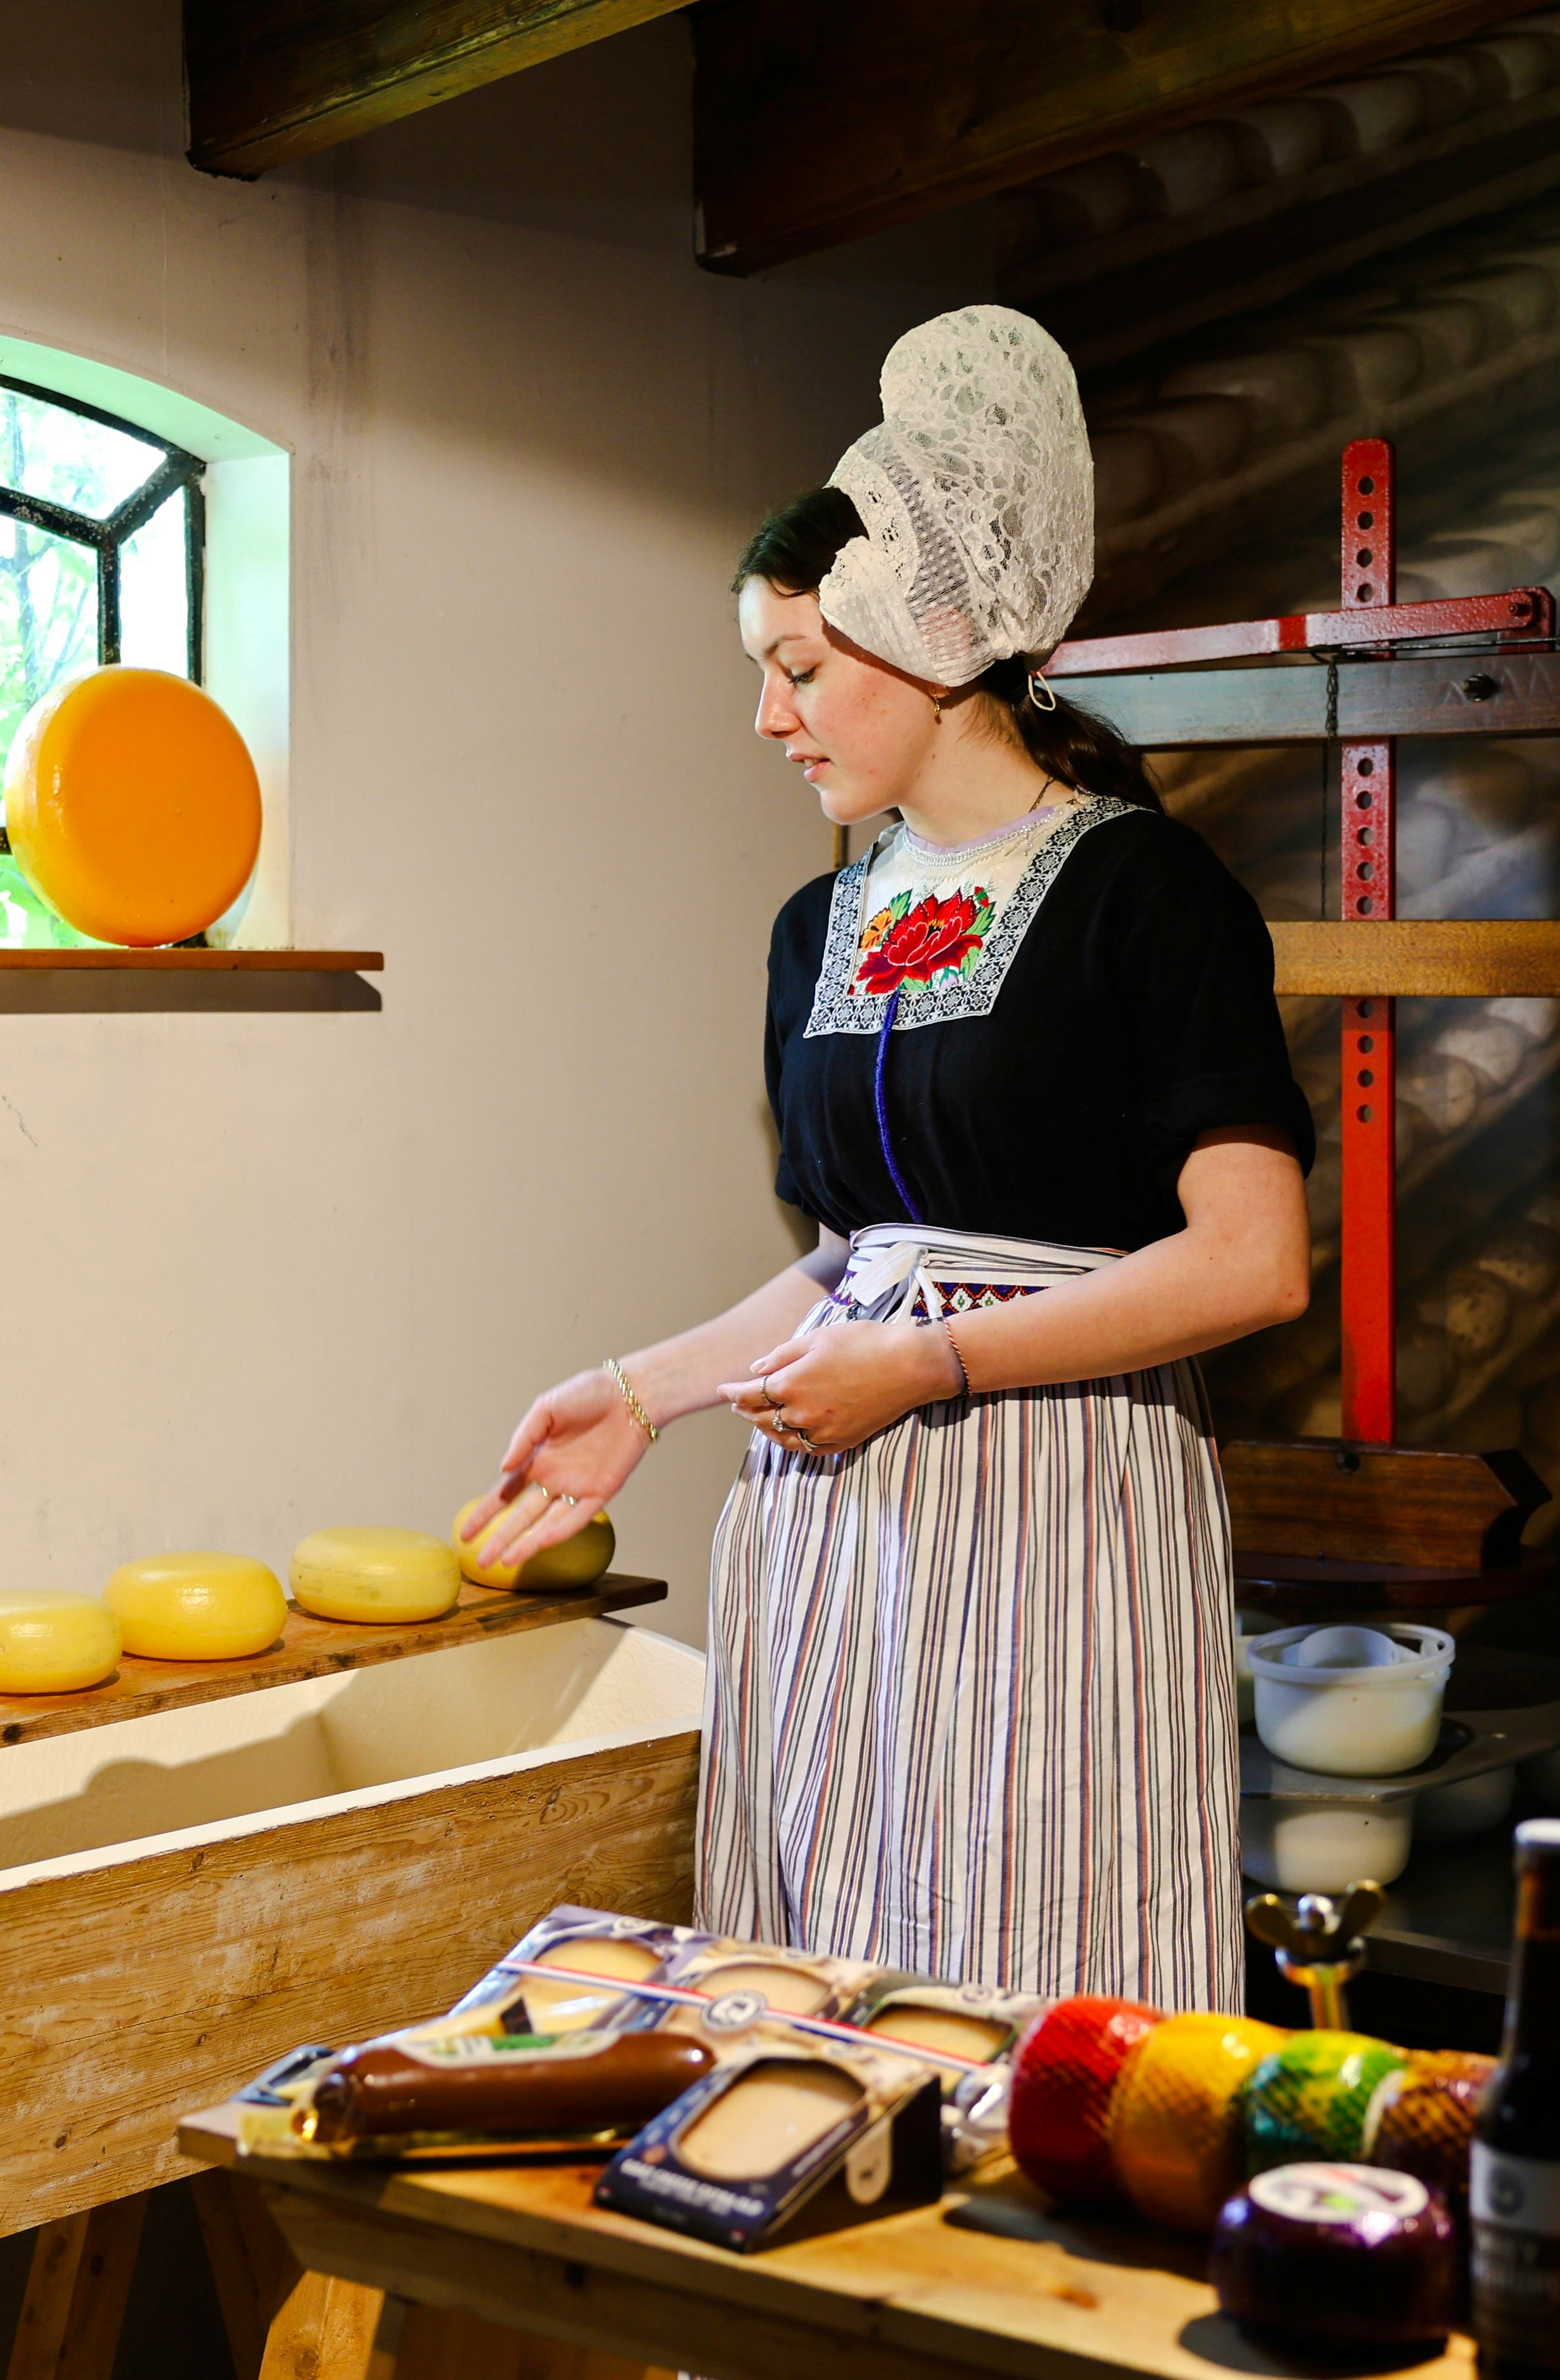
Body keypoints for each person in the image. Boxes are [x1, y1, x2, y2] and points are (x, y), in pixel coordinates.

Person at [472, 306, 1316, 2006]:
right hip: (840, 1533)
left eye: (796, 665)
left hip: (1054, 1515)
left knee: (1027, 1976)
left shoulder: (1142, 894)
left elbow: (1250, 1258)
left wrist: (925, 1365)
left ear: (933, 640)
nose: (766, 717)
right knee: (828, 1985)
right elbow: (853, 1255)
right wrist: (640, 1391)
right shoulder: (820, 919)